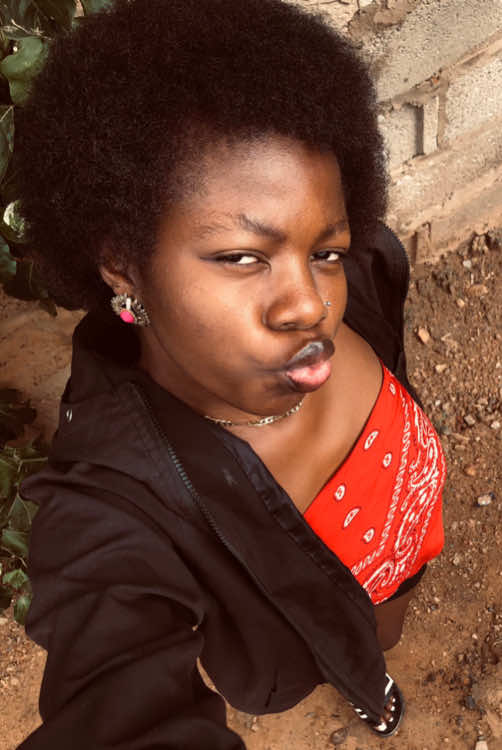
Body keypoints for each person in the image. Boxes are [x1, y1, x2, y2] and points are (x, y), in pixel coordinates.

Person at [16, 0, 445, 747]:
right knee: (345, 646)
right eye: (243, 257)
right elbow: (116, 683)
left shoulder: (364, 268)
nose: (310, 306)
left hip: (408, 530)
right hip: (317, 619)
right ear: (122, 263)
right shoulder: (115, 509)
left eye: (325, 251)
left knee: (384, 624)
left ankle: (369, 672)